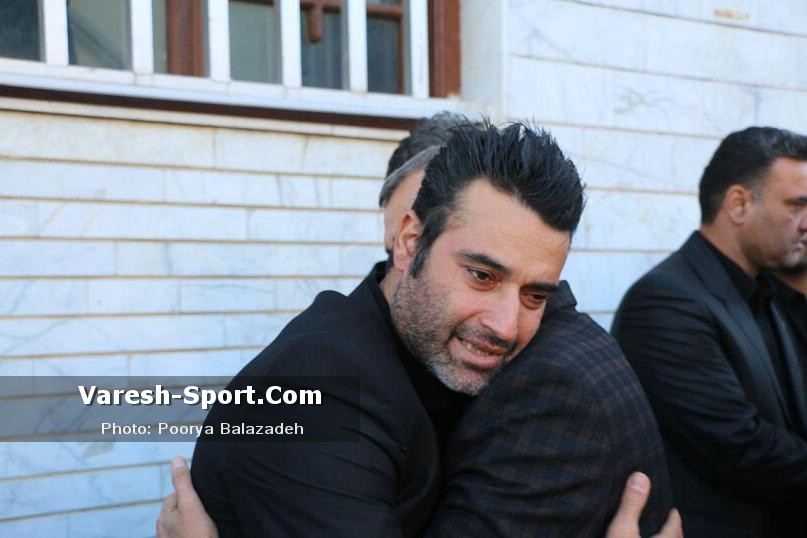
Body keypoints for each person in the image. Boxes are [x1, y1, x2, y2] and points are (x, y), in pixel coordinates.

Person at [159, 120, 680, 537]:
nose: (506, 325)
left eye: (534, 295)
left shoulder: (440, 354)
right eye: (481, 276)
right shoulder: (313, 390)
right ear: (409, 242)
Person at [612, 126, 807, 537]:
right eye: (797, 205)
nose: (805, 223)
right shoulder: (664, 302)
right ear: (739, 204)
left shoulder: (769, 289)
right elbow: (740, 448)